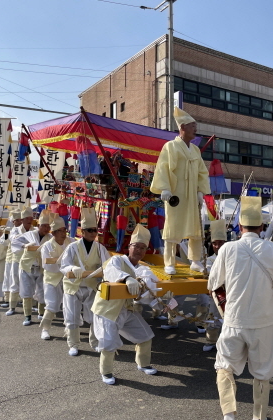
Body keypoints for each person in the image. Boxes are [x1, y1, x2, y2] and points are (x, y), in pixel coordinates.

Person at [208, 196, 273, 420]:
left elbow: (213, 284)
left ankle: (229, 415)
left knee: (224, 366)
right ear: (261, 227)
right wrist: (271, 302)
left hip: (234, 319)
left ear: (240, 226)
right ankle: (259, 417)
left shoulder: (227, 248)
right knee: (263, 372)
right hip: (264, 321)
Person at [92, 224, 159, 385]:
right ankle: (106, 372)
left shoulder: (144, 269)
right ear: (129, 247)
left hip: (127, 309)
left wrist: (164, 302)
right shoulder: (116, 260)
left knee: (145, 335)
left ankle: (143, 364)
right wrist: (127, 278)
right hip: (108, 309)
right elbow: (110, 272)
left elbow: (149, 292)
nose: (139, 251)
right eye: (136, 246)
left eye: (143, 248)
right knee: (108, 343)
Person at [150, 107, 211, 275]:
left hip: (192, 194)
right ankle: (169, 262)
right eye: (192, 125)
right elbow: (163, 167)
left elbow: (202, 172)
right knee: (172, 227)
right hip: (175, 194)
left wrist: (200, 191)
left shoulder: (196, 150)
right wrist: (165, 188)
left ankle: (195, 260)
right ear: (182, 127)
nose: (195, 129)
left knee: (196, 227)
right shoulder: (170, 147)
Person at [60, 208, 110, 356]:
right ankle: (73, 344)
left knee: (96, 314)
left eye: (95, 230)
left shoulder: (100, 248)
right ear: (82, 231)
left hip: (91, 286)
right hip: (73, 286)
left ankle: (94, 342)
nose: (93, 233)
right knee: (72, 316)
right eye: (89, 230)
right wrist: (72, 267)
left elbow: (107, 265)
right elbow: (64, 265)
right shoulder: (73, 247)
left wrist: (103, 272)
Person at [11, 210, 52, 326]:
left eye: (48, 226)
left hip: (41, 267)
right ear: (38, 226)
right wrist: (24, 245)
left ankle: (41, 312)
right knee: (26, 291)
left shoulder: (50, 237)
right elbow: (14, 242)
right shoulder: (30, 234)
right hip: (27, 266)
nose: (46, 228)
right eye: (44, 226)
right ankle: (27, 316)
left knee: (42, 290)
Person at [39, 214, 75, 341]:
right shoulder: (47, 246)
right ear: (53, 233)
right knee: (52, 305)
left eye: (65, 230)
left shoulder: (72, 242)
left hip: (68, 278)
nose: (64, 233)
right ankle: (45, 329)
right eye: (60, 231)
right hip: (52, 279)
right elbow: (47, 266)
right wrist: (63, 264)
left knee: (69, 305)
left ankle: (69, 330)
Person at [202, 219, 227, 352]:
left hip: (232, 292)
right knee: (213, 316)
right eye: (215, 243)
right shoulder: (210, 260)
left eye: (221, 243)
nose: (218, 246)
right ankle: (210, 340)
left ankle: (228, 344)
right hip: (216, 294)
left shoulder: (233, 256)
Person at [5, 205, 35, 316]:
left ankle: (31, 307)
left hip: (29, 262)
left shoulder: (34, 230)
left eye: (31, 219)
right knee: (15, 282)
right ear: (21, 220)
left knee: (30, 285)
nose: (30, 221)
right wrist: (25, 244)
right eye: (27, 219)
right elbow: (12, 241)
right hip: (17, 260)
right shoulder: (14, 230)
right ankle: (12, 306)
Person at [1, 210, 23, 308]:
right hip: (10, 258)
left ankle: (22, 299)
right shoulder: (9, 230)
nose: (19, 222)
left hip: (22, 258)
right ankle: (7, 299)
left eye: (20, 220)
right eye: (17, 220)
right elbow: (4, 242)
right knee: (8, 279)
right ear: (13, 221)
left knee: (22, 279)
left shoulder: (26, 230)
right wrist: (6, 235)